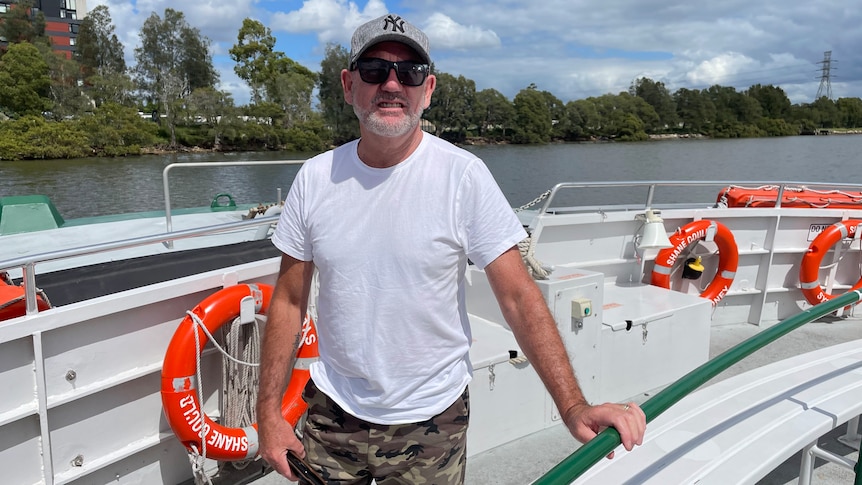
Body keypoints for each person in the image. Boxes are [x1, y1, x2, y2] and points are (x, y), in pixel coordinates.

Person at [257, 13, 646, 484]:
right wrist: (268, 414)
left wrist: (573, 406)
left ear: (429, 88)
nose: (393, 84)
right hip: (332, 413)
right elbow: (289, 301)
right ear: (348, 84)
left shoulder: (464, 177)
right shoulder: (315, 179)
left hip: (434, 421)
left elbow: (519, 298)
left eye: (410, 73)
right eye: (375, 70)